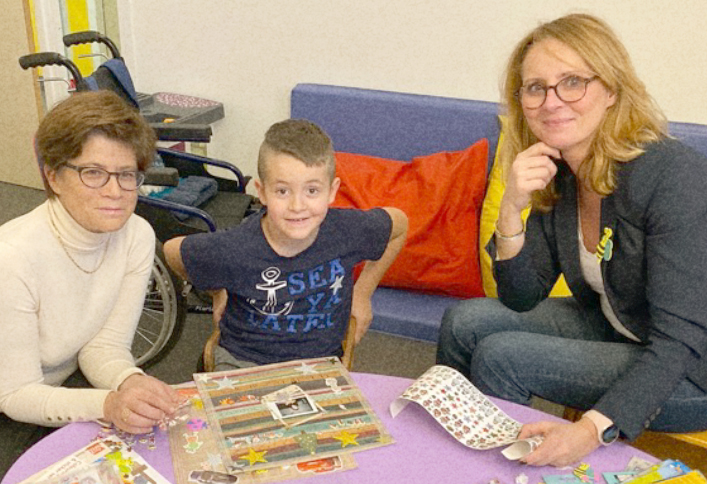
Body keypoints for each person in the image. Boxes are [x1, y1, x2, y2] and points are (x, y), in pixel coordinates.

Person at [436, 13, 707, 467]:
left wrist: (589, 431)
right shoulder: (565, 173)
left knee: (502, 356)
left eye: (572, 82)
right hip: (619, 325)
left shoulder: (676, 179)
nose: (552, 102)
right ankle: (449, 455)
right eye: (535, 88)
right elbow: (520, 296)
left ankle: (490, 473)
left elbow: (678, 341)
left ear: (611, 90)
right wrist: (512, 208)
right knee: (463, 321)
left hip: (695, 371)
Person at [0, 91, 182, 472]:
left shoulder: (136, 235)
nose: (115, 191)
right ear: (53, 175)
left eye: (126, 174)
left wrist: (128, 380)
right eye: (93, 172)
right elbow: (15, 394)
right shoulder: (12, 257)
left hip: (61, 384)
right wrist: (107, 403)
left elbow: (104, 345)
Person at [164, 119, 408, 369]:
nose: (297, 206)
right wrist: (216, 290)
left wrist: (363, 292)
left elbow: (399, 226)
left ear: (332, 191)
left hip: (319, 363)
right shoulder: (234, 247)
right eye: (282, 191)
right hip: (244, 361)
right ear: (262, 192)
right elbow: (173, 251)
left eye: (312, 190)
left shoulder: (347, 230)